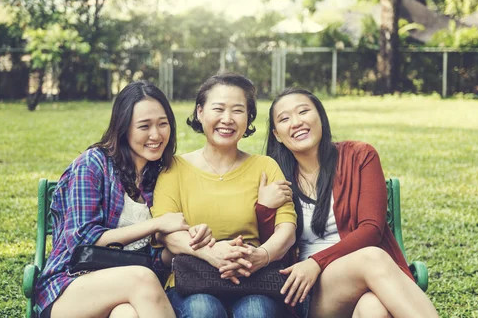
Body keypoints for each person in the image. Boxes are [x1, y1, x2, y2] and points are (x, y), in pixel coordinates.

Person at [34, 81, 213, 318]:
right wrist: (156, 224)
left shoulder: (159, 175)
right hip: (70, 286)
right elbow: (81, 240)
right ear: (123, 128)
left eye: (163, 124)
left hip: (128, 293)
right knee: (141, 277)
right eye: (144, 126)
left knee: (126, 314)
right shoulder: (92, 165)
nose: (156, 135)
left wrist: (187, 241)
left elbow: (155, 259)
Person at [259, 88, 439, 318]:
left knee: (373, 308)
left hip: (371, 276)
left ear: (320, 117)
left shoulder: (359, 155)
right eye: (285, 119)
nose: (296, 122)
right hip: (311, 292)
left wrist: (317, 261)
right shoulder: (276, 177)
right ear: (277, 134)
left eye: (303, 111)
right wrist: (265, 208)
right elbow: (270, 249)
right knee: (371, 258)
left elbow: (371, 230)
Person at [151, 73, 297, 318]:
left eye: (238, 110)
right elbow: (167, 234)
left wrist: (261, 256)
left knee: (257, 312)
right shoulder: (173, 169)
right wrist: (212, 254)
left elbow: (287, 229)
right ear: (200, 112)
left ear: (249, 117)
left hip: (254, 279)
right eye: (218, 109)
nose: (227, 119)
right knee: (203, 310)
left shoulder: (266, 166)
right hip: (192, 281)